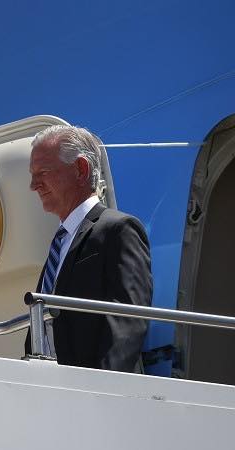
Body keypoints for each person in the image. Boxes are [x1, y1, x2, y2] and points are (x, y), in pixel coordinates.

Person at [25, 125, 152, 372]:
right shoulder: (60, 243)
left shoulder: (118, 229)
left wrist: (101, 389)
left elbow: (128, 319)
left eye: (43, 172)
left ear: (80, 169)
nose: (33, 185)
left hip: (96, 396)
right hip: (50, 394)